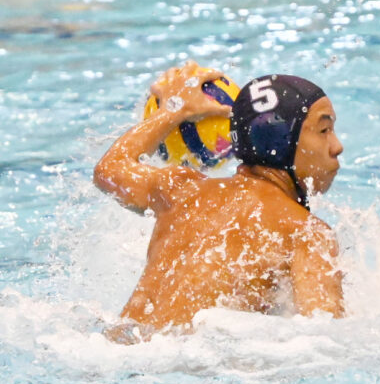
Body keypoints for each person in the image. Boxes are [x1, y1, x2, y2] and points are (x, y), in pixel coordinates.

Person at [94, 61, 345, 342]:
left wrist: (173, 112)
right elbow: (326, 340)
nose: (337, 146)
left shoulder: (182, 191)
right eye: (324, 130)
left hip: (112, 345)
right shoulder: (306, 233)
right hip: (180, 363)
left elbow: (110, 170)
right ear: (282, 139)